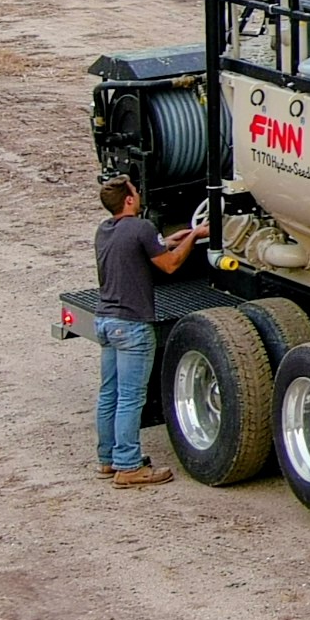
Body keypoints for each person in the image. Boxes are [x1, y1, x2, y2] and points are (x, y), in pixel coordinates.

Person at [94, 177, 209, 485]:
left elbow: (144, 249)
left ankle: (108, 460)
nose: (140, 196)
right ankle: (129, 467)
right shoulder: (142, 227)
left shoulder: (104, 230)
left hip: (105, 321)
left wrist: (175, 239)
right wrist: (197, 234)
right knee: (131, 398)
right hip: (132, 325)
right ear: (129, 201)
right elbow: (170, 265)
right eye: (136, 193)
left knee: (110, 394)